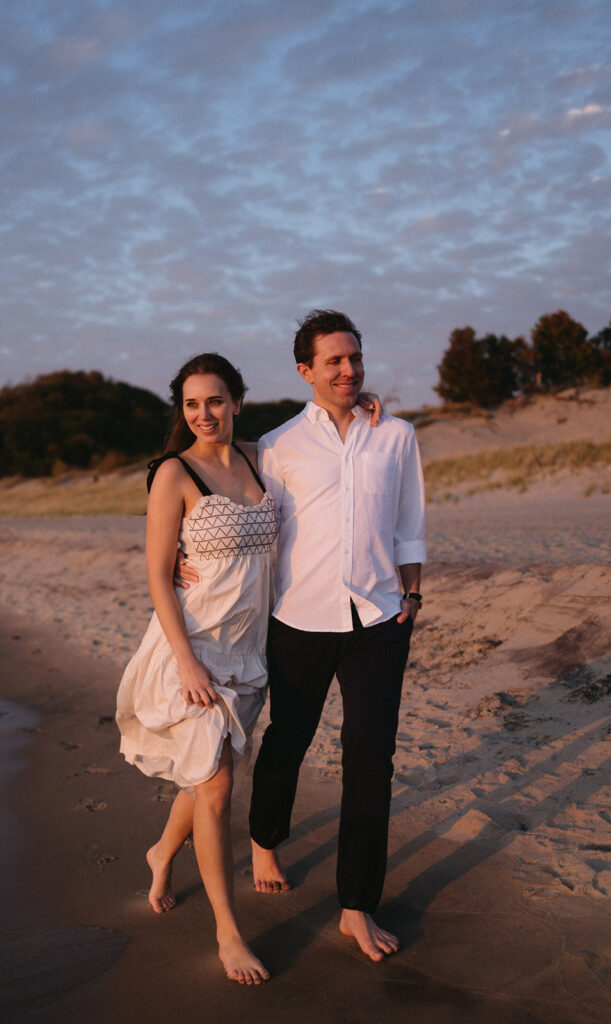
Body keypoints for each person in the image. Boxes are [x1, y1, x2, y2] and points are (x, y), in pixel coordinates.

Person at [248, 309, 426, 963]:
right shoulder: (278, 444)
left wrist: (412, 593)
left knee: (369, 763)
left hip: (379, 621)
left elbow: (409, 522)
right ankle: (264, 835)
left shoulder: (396, 436)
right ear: (305, 371)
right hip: (299, 619)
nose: (349, 369)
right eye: (334, 361)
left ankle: (356, 905)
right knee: (287, 740)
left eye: (354, 358)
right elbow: (259, 535)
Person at [116, 353, 277, 985]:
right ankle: (228, 934)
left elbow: (321, 432)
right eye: (191, 404)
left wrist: (366, 406)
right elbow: (158, 574)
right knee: (216, 786)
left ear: (237, 400)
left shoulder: (263, 459)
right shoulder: (174, 474)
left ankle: (161, 851)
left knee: (205, 773)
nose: (203, 414)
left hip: (250, 649)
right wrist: (186, 662)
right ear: (181, 411)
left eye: (214, 400)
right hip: (194, 648)